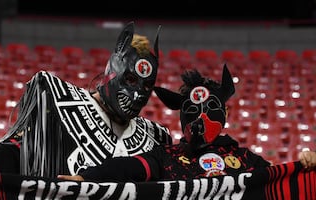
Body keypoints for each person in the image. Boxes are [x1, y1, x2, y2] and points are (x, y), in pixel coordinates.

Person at [0, 21, 172, 178]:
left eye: (146, 86)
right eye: (131, 80)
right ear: (111, 71)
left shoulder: (155, 137)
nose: (138, 94)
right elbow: (20, 152)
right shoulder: (61, 104)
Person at [58, 64, 316, 182]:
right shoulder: (167, 157)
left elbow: (281, 184)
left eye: (210, 109)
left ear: (224, 112)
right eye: (191, 111)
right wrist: (87, 177)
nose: (200, 119)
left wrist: (308, 165)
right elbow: (129, 168)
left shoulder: (247, 160)